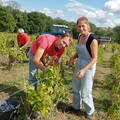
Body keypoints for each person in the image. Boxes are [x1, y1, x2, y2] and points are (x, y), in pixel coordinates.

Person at [69, 17, 98, 119]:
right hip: (79, 64)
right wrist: (73, 57)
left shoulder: (92, 40)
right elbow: (79, 52)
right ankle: (76, 107)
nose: (81, 28)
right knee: (76, 88)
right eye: (79, 26)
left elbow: (94, 58)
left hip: (88, 67)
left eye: (83, 26)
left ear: (88, 26)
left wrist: (84, 70)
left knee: (85, 91)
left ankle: (90, 112)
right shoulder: (80, 36)